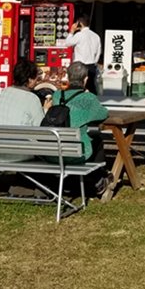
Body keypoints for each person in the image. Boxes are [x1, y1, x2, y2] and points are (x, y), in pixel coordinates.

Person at [54, 60, 111, 195]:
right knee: (96, 139)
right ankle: (98, 179)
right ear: (85, 79)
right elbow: (103, 113)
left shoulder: (57, 96)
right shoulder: (88, 98)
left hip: (56, 150)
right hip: (76, 152)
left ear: (68, 77)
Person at [0, 58, 51, 163]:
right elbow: (41, 128)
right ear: (29, 80)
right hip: (21, 153)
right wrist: (46, 109)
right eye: (36, 79)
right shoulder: (32, 98)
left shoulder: (5, 92)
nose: (36, 81)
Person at [64, 14, 102, 93]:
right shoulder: (96, 36)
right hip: (92, 65)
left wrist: (71, 31)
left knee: (78, 88)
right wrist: (94, 62)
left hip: (80, 66)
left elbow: (67, 43)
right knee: (91, 88)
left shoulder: (79, 35)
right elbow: (98, 52)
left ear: (79, 23)